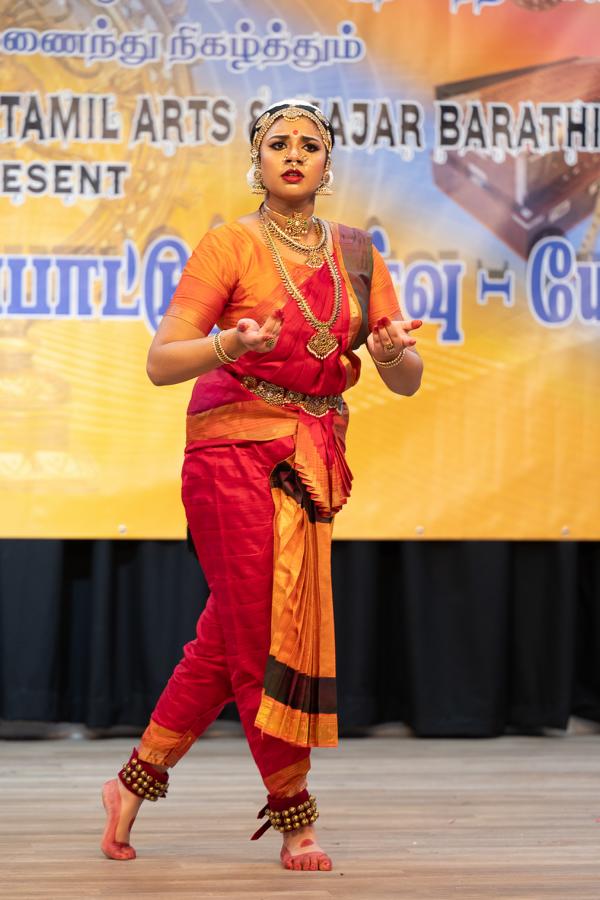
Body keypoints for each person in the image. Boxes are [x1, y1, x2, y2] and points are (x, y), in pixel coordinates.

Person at [100, 99, 423, 872]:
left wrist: (388, 352)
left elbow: (407, 378)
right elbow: (161, 361)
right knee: (265, 634)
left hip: (310, 459)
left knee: (230, 635)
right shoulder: (230, 245)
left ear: (327, 163)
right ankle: (294, 815)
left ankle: (131, 785)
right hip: (231, 451)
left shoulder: (356, 253)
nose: (294, 154)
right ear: (257, 159)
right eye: (279, 143)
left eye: (310, 144)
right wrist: (227, 345)